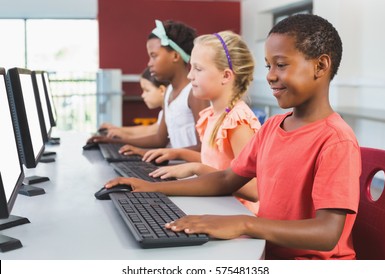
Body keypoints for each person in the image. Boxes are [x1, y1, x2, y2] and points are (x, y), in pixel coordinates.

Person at [104, 14, 361, 259]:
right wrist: (154, 189)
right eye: (268, 66)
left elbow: (327, 233)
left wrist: (245, 224)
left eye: (281, 65)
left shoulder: (336, 141)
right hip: (264, 251)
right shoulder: (273, 126)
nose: (270, 75)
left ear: (321, 66)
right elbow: (227, 178)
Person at [140, 31, 261, 210]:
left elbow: (254, 190)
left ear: (226, 76)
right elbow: (215, 163)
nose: (190, 76)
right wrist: (178, 154)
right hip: (218, 205)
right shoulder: (213, 115)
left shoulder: (237, 122)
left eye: (198, 69)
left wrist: (196, 168)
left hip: (238, 215)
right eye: (191, 68)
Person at [88, 20, 209, 152]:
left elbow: (203, 147)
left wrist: (146, 152)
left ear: (175, 56)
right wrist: (114, 141)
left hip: (191, 171)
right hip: (175, 167)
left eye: (154, 56)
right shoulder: (168, 92)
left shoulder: (194, 93)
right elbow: (159, 140)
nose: (149, 63)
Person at [98, 67, 168, 140]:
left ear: (162, 90)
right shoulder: (163, 112)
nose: (142, 95)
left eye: (147, 90)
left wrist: (125, 137)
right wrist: (117, 129)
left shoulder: (171, 112)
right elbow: (149, 130)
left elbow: (152, 132)